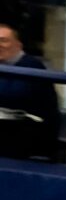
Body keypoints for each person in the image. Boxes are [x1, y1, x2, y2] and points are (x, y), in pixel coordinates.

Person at [0, 13, 53, 161]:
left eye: (4, 41)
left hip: (29, 135)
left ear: (18, 45)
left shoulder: (32, 65)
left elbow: (14, 96)